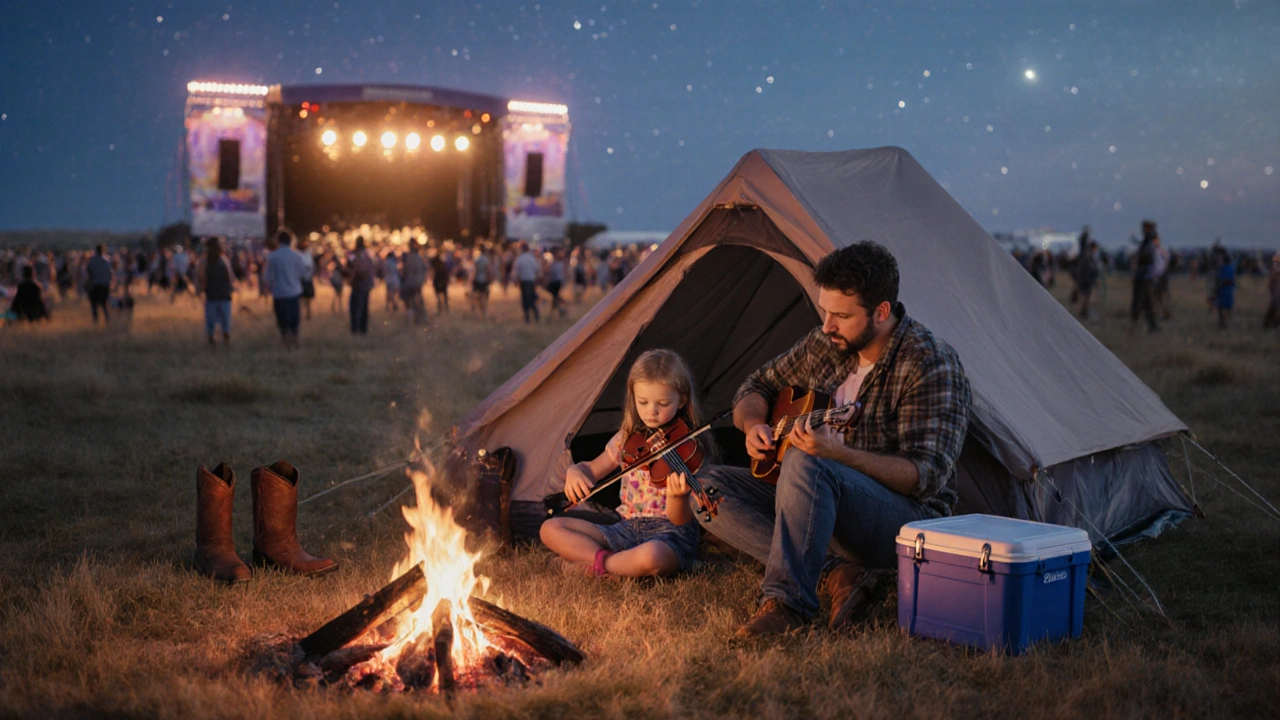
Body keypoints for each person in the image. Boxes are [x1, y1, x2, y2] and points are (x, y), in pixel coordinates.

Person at [693, 241, 971, 640]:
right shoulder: (826, 343)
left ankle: (788, 605)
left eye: (841, 315)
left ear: (881, 312)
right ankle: (837, 573)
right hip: (815, 497)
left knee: (808, 462)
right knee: (706, 487)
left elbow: (925, 478)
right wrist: (753, 423)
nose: (827, 325)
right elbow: (755, 386)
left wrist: (841, 455)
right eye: (825, 311)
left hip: (905, 520)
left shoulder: (930, 364)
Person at [540, 349, 710, 578]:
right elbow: (590, 469)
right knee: (550, 529)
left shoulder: (688, 448)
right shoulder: (627, 438)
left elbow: (680, 519)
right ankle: (615, 565)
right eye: (643, 402)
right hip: (625, 528)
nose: (652, 412)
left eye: (662, 403)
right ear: (633, 397)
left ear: (681, 400)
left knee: (652, 557)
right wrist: (575, 471)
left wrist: (677, 497)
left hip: (669, 536)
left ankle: (595, 565)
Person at [263, 230, 307, 346]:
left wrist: (268, 289)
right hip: (294, 292)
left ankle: (285, 342)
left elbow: (268, 276)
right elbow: (303, 273)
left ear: (278, 241)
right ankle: (295, 341)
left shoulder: (273, 256)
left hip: (279, 293)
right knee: (294, 320)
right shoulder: (297, 256)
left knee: (283, 321)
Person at [196, 238, 234, 346]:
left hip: (211, 295)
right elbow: (230, 278)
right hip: (224, 295)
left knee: (211, 322)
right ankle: (226, 340)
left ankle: (211, 341)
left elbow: (200, 278)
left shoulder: (204, 262)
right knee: (225, 322)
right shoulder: (224, 260)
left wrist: (200, 289)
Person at [1130, 220, 1160, 333]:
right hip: (1145, 276)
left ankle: (1136, 325)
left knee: (1141, 301)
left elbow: (1146, 257)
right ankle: (1151, 325)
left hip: (1144, 276)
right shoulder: (1149, 241)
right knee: (1147, 302)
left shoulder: (1149, 242)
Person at [348, 236, 375, 335]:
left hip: (357, 283)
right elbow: (372, 266)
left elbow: (349, 265)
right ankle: (363, 329)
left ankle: (355, 329)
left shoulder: (353, 253)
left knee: (355, 307)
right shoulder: (367, 253)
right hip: (366, 284)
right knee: (364, 307)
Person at [85, 244, 114, 324]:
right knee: (104, 304)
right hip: (105, 285)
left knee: (94, 305)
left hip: (95, 285)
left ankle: (96, 321)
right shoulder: (107, 261)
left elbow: (88, 271)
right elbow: (110, 274)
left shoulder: (92, 260)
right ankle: (107, 320)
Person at [514, 242, 541, 323]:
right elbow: (537, 269)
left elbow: (516, 272)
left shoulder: (520, 258)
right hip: (531, 281)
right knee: (532, 299)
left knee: (525, 300)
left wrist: (516, 280)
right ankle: (536, 316)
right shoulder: (531, 258)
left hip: (523, 282)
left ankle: (527, 318)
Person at [401, 240, 428, 324]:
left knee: (411, 300)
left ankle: (413, 316)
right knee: (419, 298)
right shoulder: (419, 258)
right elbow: (424, 269)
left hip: (410, 282)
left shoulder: (408, 258)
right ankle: (419, 316)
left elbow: (405, 270)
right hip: (418, 282)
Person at [1074, 240, 1101, 320]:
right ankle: (1085, 313)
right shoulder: (1089, 256)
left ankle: (1084, 313)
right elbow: (1090, 268)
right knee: (1086, 298)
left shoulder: (1086, 255)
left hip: (1085, 280)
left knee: (1085, 297)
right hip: (1086, 280)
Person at [1214, 247, 1236, 329]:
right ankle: (1224, 321)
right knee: (1227, 307)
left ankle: (1223, 321)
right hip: (1227, 289)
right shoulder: (1229, 268)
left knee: (1222, 307)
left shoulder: (1223, 268)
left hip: (1224, 289)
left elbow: (1221, 279)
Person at [470, 244, 493, 319]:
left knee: (476, 297)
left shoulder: (477, 259)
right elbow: (489, 270)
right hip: (485, 281)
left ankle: (476, 312)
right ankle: (484, 313)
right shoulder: (487, 260)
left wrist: (471, 280)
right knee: (485, 298)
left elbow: (474, 271)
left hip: (477, 280)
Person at [297, 236, 316, 321]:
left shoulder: (308, 253)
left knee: (308, 298)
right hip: (300, 279)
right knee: (300, 299)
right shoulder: (297, 254)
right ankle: (299, 315)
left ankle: (308, 314)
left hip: (308, 278)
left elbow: (311, 264)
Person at [430, 246, 450, 314]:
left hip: (438, 277)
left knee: (438, 293)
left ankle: (440, 307)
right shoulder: (443, 259)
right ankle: (445, 307)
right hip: (442, 277)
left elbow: (431, 269)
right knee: (444, 293)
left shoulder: (434, 259)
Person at [383, 249, 401, 314]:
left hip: (388, 279)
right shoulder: (392, 262)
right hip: (393, 279)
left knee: (389, 292)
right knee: (392, 293)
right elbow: (394, 269)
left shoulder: (386, 262)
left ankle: (388, 305)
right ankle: (393, 304)